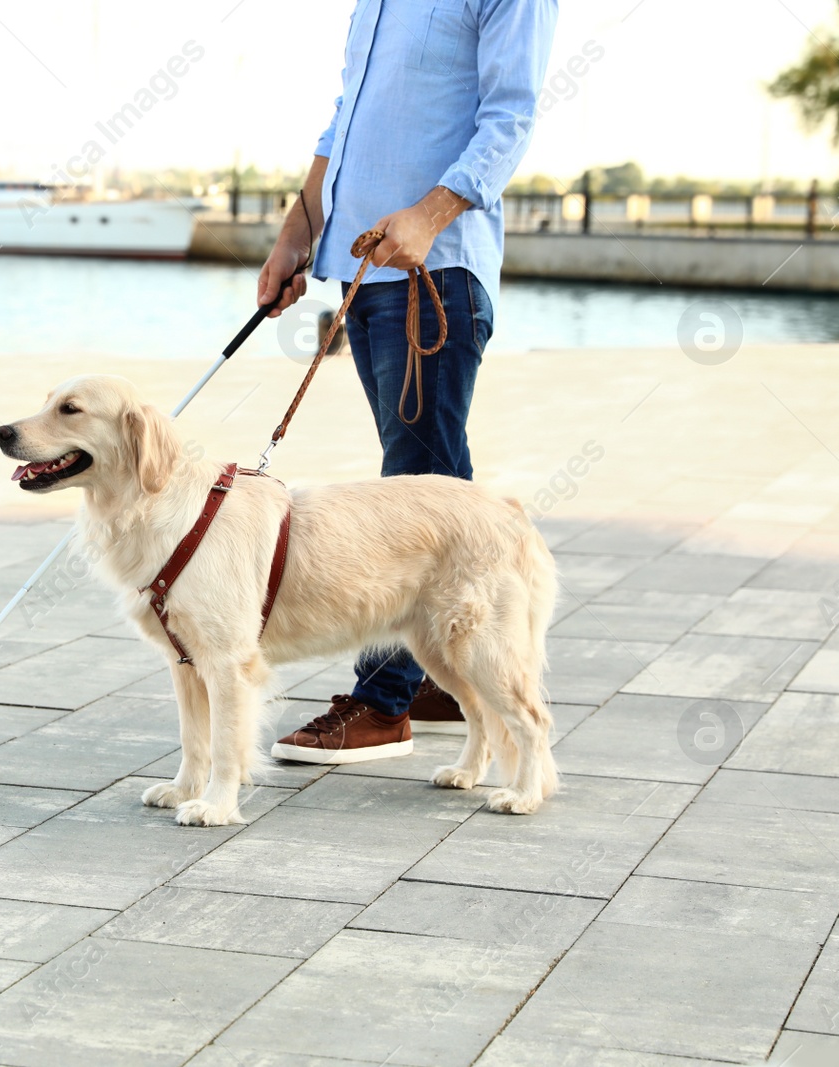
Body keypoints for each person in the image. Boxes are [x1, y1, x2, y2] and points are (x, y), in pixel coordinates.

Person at [260, 0, 558, 763]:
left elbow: (510, 117)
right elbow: (345, 120)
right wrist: (299, 231)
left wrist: (429, 215)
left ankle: (383, 701)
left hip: (435, 270)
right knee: (430, 478)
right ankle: (443, 670)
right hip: (360, 271)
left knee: (414, 480)